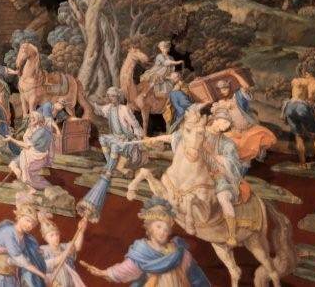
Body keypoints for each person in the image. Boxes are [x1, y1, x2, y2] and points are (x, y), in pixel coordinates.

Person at [82, 197, 210, 285]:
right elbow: (123, 271)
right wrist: (101, 273)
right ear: (149, 228)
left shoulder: (179, 252)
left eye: (166, 229)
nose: (162, 231)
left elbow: (197, 278)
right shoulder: (142, 252)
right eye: (158, 226)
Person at [210, 80, 277, 163]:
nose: (222, 92)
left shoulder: (237, 95)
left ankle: (259, 157)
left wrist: (233, 74)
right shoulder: (221, 103)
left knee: (257, 140)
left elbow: (246, 87)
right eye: (220, 90)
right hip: (236, 130)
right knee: (236, 146)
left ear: (229, 87)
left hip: (247, 126)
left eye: (224, 89)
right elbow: (220, 115)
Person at [206, 116, 246, 247]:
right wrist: (155, 139)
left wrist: (213, 154)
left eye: (228, 124)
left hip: (219, 176)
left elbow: (233, 165)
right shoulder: (200, 133)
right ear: (215, 119)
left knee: (223, 198)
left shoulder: (227, 143)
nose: (225, 126)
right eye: (224, 121)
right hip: (199, 174)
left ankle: (232, 234)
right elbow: (180, 137)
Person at [282, 64, 315, 166]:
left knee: (298, 136)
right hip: (302, 108)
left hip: (289, 107)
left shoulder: (296, 81)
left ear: (307, 73)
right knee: (314, 135)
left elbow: (293, 91)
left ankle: (302, 163)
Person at [93, 87, 145, 174]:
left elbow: (135, 124)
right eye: (109, 96)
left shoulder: (124, 109)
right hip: (115, 136)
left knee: (115, 145)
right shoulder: (109, 107)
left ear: (118, 97)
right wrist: (91, 102)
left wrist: (138, 136)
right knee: (102, 138)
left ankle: (110, 169)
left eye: (113, 96)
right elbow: (99, 110)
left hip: (126, 137)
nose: (110, 98)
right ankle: (109, 163)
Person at [7, 111, 58, 192]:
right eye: (30, 119)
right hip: (34, 154)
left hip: (34, 156)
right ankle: (28, 185)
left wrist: (11, 139)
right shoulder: (45, 130)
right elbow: (50, 147)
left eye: (33, 119)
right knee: (13, 164)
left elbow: (27, 145)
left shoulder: (40, 132)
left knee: (22, 171)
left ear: (38, 120)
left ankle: (30, 186)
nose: (30, 121)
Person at [38, 213, 88, 287]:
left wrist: (81, 231)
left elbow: (77, 247)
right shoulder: (43, 249)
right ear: (45, 237)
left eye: (57, 234)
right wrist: (64, 254)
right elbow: (43, 266)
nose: (55, 237)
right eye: (51, 235)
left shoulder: (64, 246)